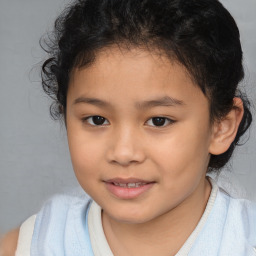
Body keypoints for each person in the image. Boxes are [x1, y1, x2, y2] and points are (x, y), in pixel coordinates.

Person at [1, 0, 255, 255]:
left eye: (159, 121)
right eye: (97, 120)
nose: (123, 153)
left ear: (221, 126)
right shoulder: (31, 245)